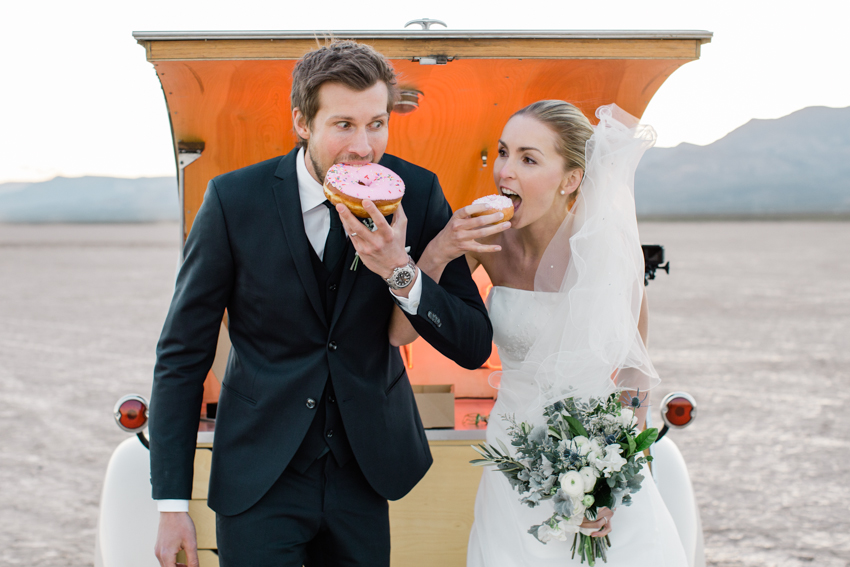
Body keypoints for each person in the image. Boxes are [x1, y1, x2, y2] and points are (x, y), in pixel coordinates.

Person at [149, 40, 493, 567]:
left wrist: (401, 272)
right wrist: (171, 504)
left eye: (377, 123)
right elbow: (182, 354)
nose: (364, 147)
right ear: (302, 122)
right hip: (260, 472)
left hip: (365, 467)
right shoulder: (233, 200)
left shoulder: (418, 194)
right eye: (343, 125)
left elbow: (472, 344)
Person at [388, 100, 688, 565]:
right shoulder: (483, 241)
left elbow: (633, 378)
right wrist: (439, 251)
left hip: (596, 448)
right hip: (512, 447)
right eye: (504, 153)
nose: (506, 171)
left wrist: (612, 479)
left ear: (570, 180)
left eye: (529, 159)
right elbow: (400, 335)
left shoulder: (610, 253)